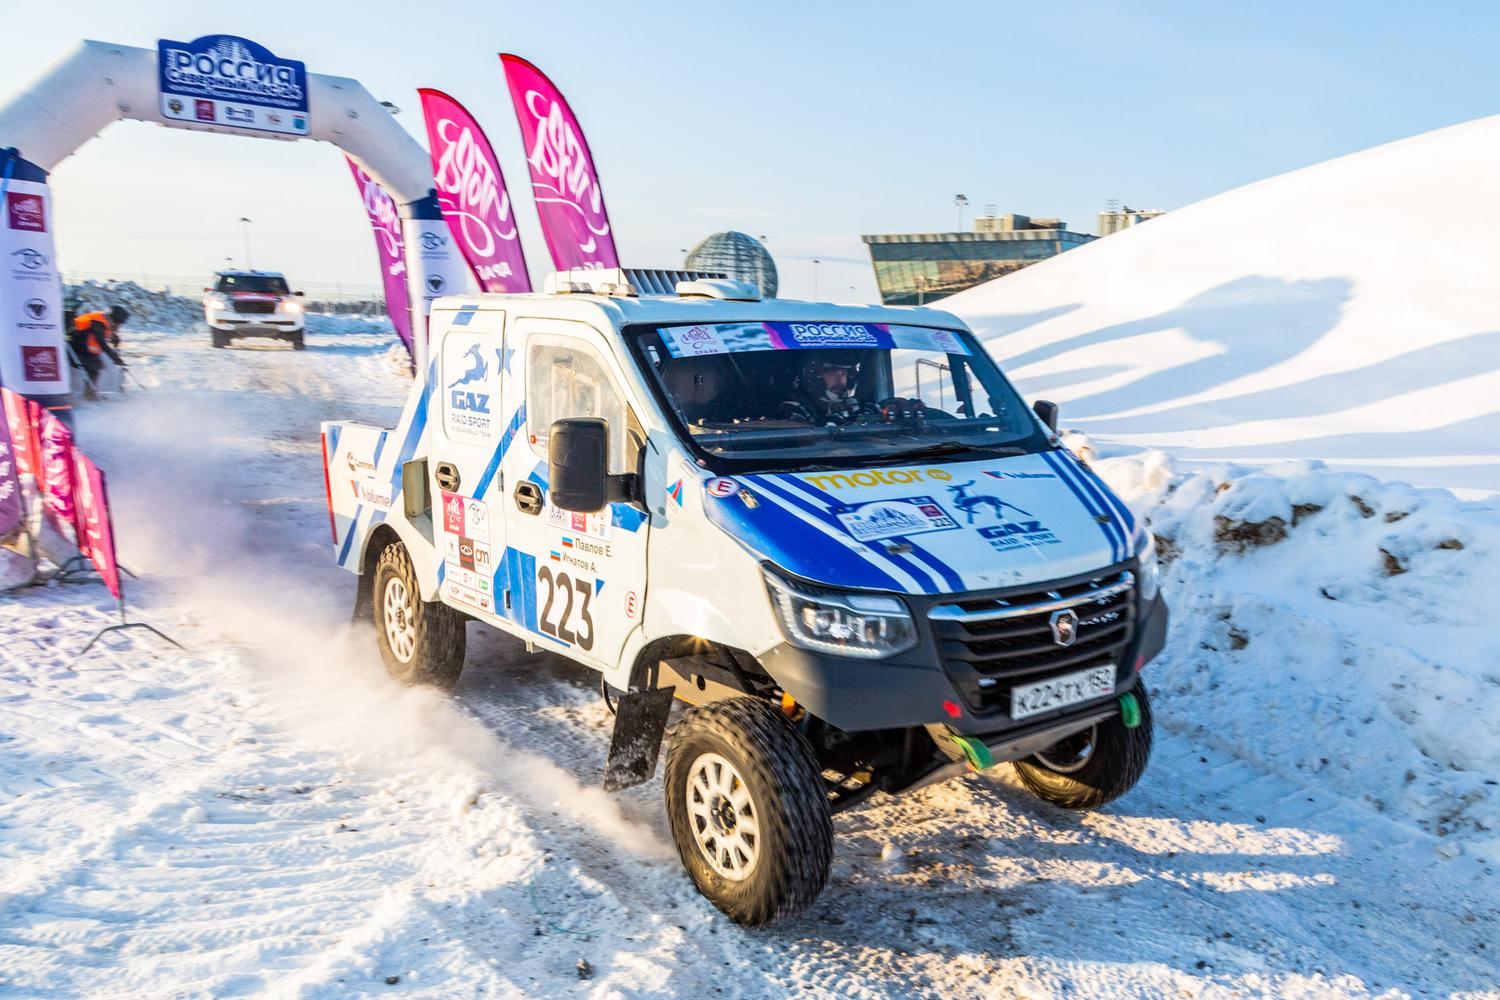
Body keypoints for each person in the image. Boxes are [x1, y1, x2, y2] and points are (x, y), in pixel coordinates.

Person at [779, 354, 876, 425]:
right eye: (832, 373)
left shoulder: (852, 405)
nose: (841, 381)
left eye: (843, 373)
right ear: (814, 377)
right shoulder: (794, 408)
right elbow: (803, 441)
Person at [68, 305, 128, 399]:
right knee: (94, 367)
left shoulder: (104, 320)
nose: (118, 325)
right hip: (75, 344)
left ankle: (90, 393)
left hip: (83, 345)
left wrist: (114, 338)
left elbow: (106, 332)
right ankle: (89, 395)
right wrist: (115, 358)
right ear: (114, 318)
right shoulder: (97, 323)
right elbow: (101, 342)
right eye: (118, 322)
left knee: (95, 367)